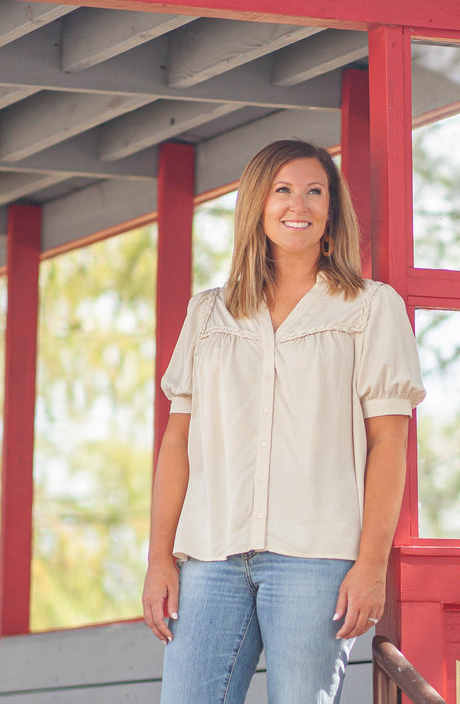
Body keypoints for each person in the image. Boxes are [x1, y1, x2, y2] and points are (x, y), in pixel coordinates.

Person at [142, 139, 425, 704]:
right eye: (283, 190)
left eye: (315, 191)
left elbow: (389, 445)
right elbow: (177, 443)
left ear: (331, 210)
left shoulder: (370, 308)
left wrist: (371, 566)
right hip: (210, 558)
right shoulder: (209, 313)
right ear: (257, 204)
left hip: (315, 560)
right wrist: (158, 559)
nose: (300, 204)